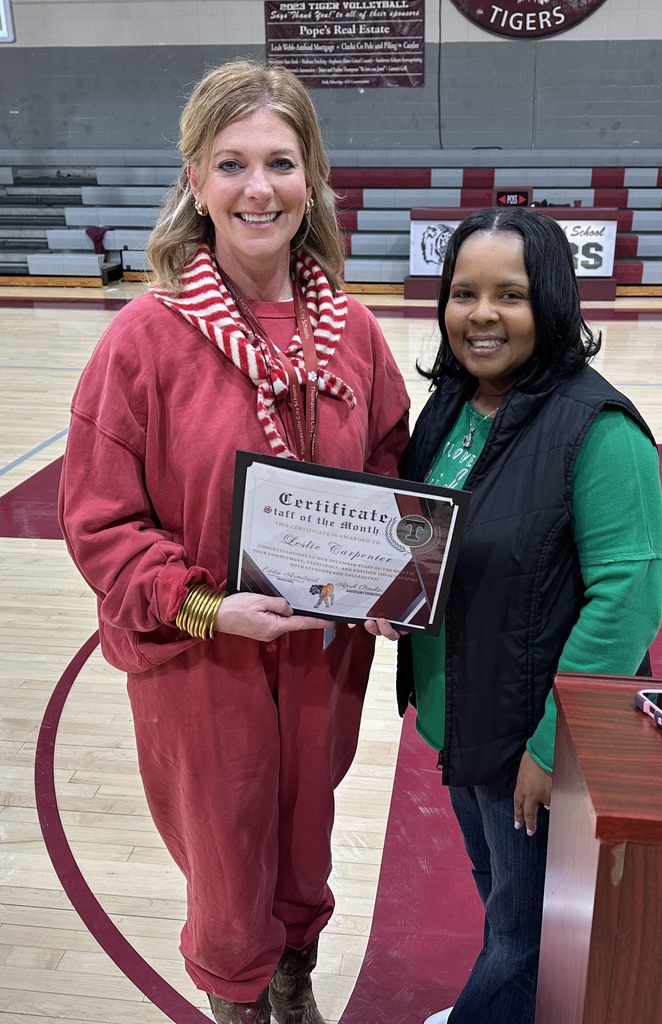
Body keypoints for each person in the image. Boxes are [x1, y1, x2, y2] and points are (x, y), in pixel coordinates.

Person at [59, 60, 409, 1024]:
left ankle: (292, 981)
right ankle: (238, 999)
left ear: (313, 178)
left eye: (281, 163)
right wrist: (206, 606)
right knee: (226, 859)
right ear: (195, 180)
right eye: (231, 164)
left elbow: (388, 468)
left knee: (303, 840)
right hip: (202, 657)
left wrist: (392, 581)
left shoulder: (354, 335)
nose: (259, 188)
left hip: (320, 654)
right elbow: (99, 522)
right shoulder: (144, 338)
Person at [395, 207, 662, 1024]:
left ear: (550, 301)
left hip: (533, 739)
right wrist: (390, 598)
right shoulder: (450, 406)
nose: (481, 315)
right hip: (463, 716)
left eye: (508, 295)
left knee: (525, 938)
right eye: (463, 293)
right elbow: (427, 537)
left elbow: (626, 605)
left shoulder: (598, 430)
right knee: (501, 896)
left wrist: (551, 750)